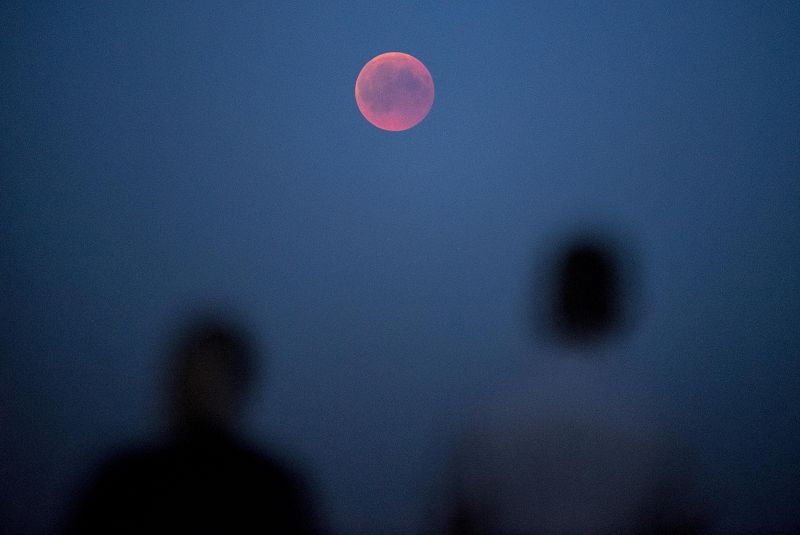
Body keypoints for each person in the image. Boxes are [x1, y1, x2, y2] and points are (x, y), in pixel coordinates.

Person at [440, 232, 703, 534]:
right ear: (616, 304)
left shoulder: (488, 407)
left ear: (551, 300)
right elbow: (686, 518)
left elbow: (457, 516)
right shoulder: (662, 415)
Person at [66, 313, 318, 534]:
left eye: (216, 376)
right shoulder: (123, 482)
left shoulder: (273, 490)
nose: (203, 386)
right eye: (195, 375)